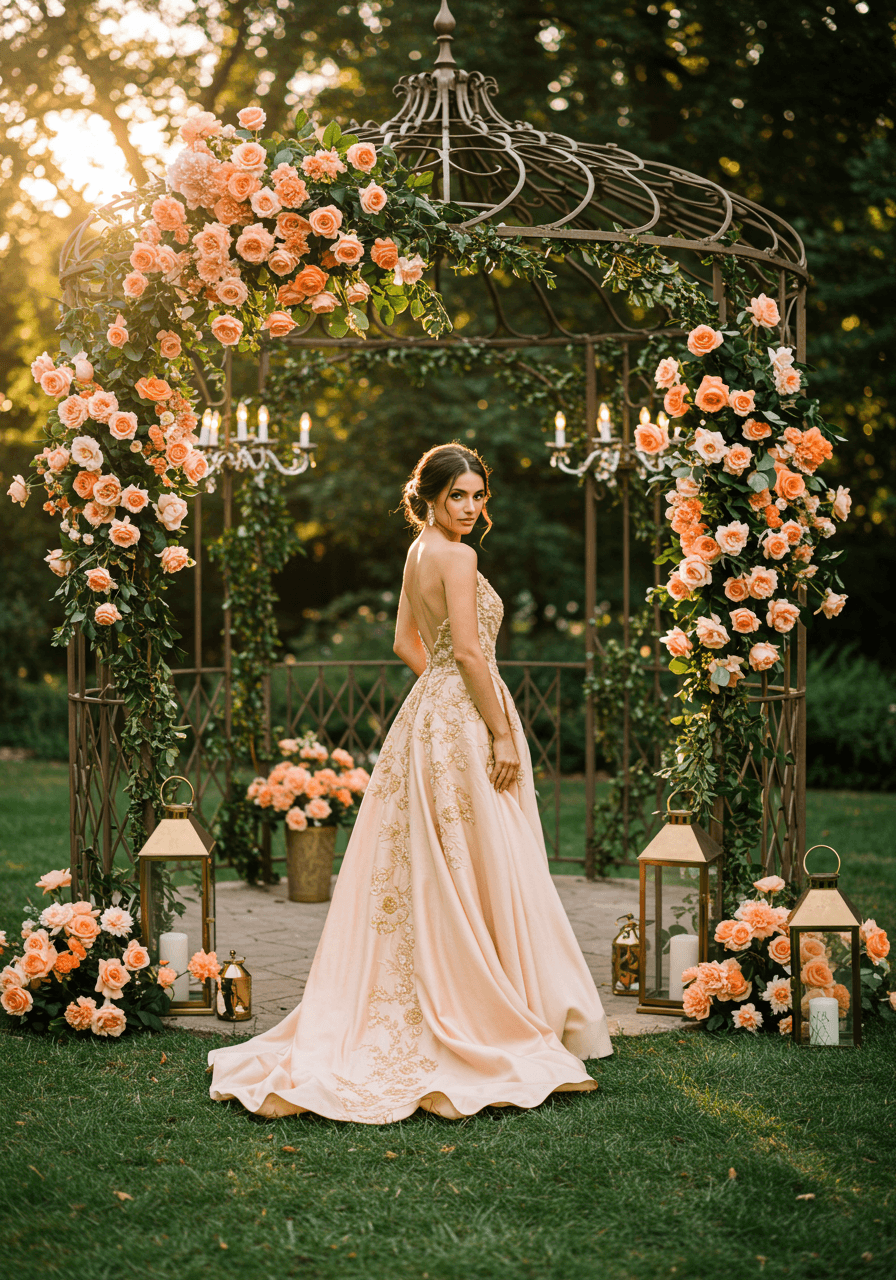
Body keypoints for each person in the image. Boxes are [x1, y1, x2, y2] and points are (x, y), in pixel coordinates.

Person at [208, 443, 612, 1123]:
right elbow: (470, 651)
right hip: (466, 715)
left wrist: (441, 691)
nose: (472, 508)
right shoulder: (458, 556)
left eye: (479, 496)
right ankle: (490, 998)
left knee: (433, 860)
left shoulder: (419, 550)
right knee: (482, 855)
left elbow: (405, 643)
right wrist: (502, 731)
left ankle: (460, 981)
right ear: (429, 495)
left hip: (428, 716)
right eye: (460, 496)